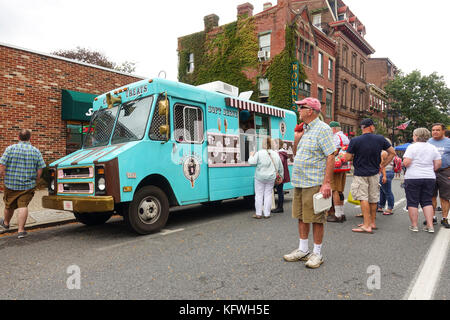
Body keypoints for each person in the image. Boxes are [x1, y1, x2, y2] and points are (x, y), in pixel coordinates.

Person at [283, 97, 335, 269]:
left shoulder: (323, 129)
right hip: (300, 180)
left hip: (314, 181)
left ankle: (317, 253)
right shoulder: (305, 129)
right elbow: (297, 152)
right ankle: (303, 249)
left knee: (316, 219)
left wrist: (326, 183)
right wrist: (297, 136)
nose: (298, 110)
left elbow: (330, 155)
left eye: (301, 107)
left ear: (310, 110)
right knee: (301, 216)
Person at [344, 119, 396, 234]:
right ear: (371, 127)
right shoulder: (380, 139)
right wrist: (382, 165)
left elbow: (347, 158)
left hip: (360, 173)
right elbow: (392, 152)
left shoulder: (355, 140)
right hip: (374, 173)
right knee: (373, 199)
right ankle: (372, 222)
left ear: (362, 128)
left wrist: (355, 156)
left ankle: (366, 225)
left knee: (363, 198)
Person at [0, 129, 46, 238]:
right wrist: (36, 180)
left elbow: (2, 165)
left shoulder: (10, 149)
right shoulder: (35, 151)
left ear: (18, 137)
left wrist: (1, 175)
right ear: (30, 138)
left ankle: (6, 224)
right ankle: (21, 231)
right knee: (23, 206)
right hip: (27, 185)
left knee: (9, 205)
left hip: (11, 183)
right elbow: (40, 168)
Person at [403, 128, 441, 233]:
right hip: (429, 176)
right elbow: (438, 164)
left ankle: (414, 225)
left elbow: (406, 162)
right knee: (427, 201)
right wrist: (430, 169)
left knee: (412, 201)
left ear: (416, 136)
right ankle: (430, 225)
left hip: (413, 176)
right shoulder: (433, 148)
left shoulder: (412, 147)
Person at [248, 136, 283, 219]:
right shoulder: (275, 154)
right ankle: (267, 214)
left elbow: (252, 163)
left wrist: (251, 156)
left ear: (263, 144)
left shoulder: (259, 153)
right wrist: (281, 176)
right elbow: (280, 167)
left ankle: (258, 213)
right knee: (268, 194)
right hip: (271, 177)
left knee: (259, 195)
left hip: (259, 177)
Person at [427, 123, 450, 228]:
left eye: (437, 130)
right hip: (431, 172)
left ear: (443, 131)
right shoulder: (428, 142)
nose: (435, 132)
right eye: (433, 130)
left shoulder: (448, 142)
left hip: (445, 172)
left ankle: (444, 218)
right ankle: (432, 217)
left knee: (444, 197)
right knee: (431, 196)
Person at [327, 121, 350, 223]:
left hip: (336, 166)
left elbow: (334, 151)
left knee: (335, 189)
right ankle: (341, 212)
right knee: (340, 190)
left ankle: (337, 215)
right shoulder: (345, 137)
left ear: (333, 129)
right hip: (344, 166)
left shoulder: (335, 137)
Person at [271, 139, 290, 213]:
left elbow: (279, 163)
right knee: (280, 190)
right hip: (283, 174)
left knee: (279, 191)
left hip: (280, 174)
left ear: (278, 145)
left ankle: (280, 207)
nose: (273, 145)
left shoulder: (280, 153)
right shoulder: (282, 153)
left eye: (275, 144)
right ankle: (279, 206)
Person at [378, 137, 395, 215]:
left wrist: (383, 175)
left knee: (387, 191)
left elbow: (382, 165)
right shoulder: (390, 151)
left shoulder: (384, 152)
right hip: (389, 171)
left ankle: (390, 208)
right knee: (383, 191)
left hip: (386, 172)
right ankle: (380, 206)